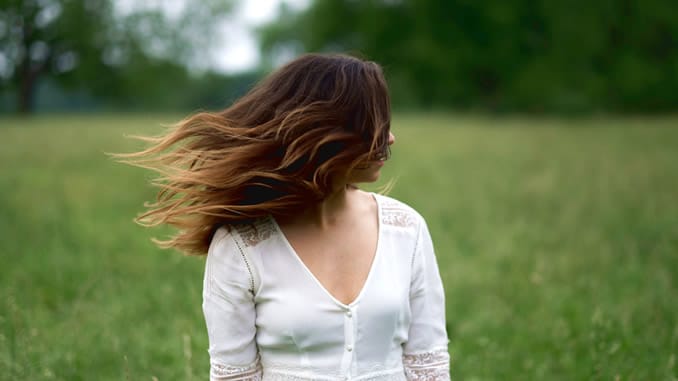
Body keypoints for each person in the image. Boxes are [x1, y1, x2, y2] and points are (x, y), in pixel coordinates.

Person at [123, 53, 450, 380]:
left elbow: (429, 363)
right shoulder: (241, 246)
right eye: (373, 125)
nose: (389, 138)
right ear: (328, 133)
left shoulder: (406, 229)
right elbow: (235, 376)